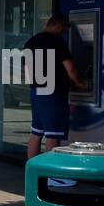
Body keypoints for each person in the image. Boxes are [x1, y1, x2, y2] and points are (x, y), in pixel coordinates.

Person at [22, 13, 86, 159]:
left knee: (36, 133)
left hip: (37, 91)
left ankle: (33, 172)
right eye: (64, 28)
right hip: (53, 94)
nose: (64, 32)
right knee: (53, 134)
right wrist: (80, 83)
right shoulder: (56, 41)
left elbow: (26, 68)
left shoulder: (31, 41)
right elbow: (70, 68)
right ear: (59, 25)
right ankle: (55, 178)